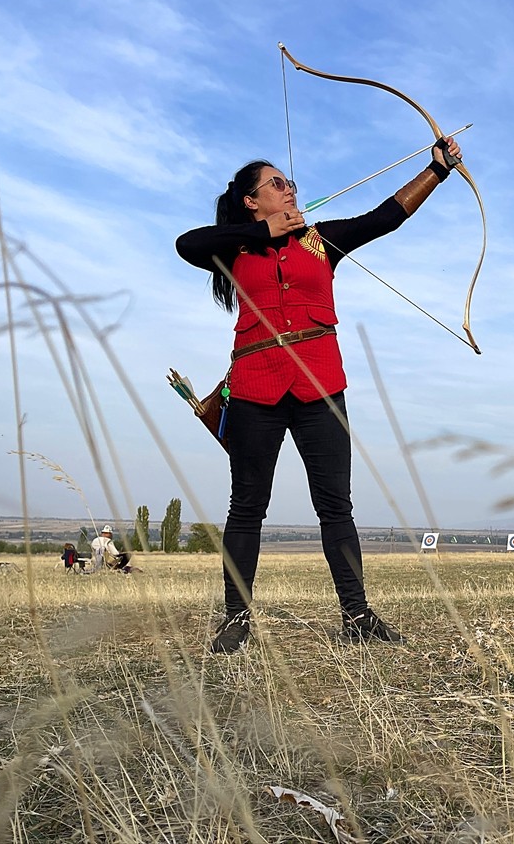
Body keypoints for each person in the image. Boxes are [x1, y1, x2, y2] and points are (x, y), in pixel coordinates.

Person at [176, 136, 464, 653]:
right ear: (251, 199)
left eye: (289, 184)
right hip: (254, 387)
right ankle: (236, 618)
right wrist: (260, 232)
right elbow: (185, 243)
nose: (290, 190)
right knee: (247, 506)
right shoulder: (233, 246)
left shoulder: (319, 241)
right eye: (278, 184)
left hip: (319, 384)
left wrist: (436, 171)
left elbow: (386, 217)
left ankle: (356, 615)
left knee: (336, 507)